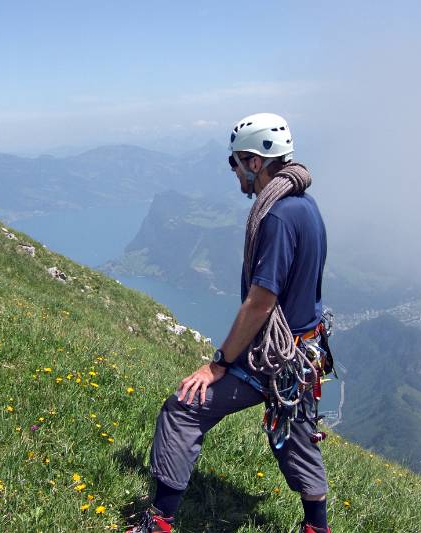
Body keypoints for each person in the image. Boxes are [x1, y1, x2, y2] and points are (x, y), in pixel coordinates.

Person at [127, 113, 330, 533]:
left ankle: (160, 521)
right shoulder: (305, 206)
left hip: (274, 354)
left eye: (235, 161)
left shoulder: (274, 217)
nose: (233, 171)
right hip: (304, 351)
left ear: (256, 162)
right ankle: (317, 527)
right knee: (294, 431)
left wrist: (219, 362)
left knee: (183, 408)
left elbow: (260, 302)